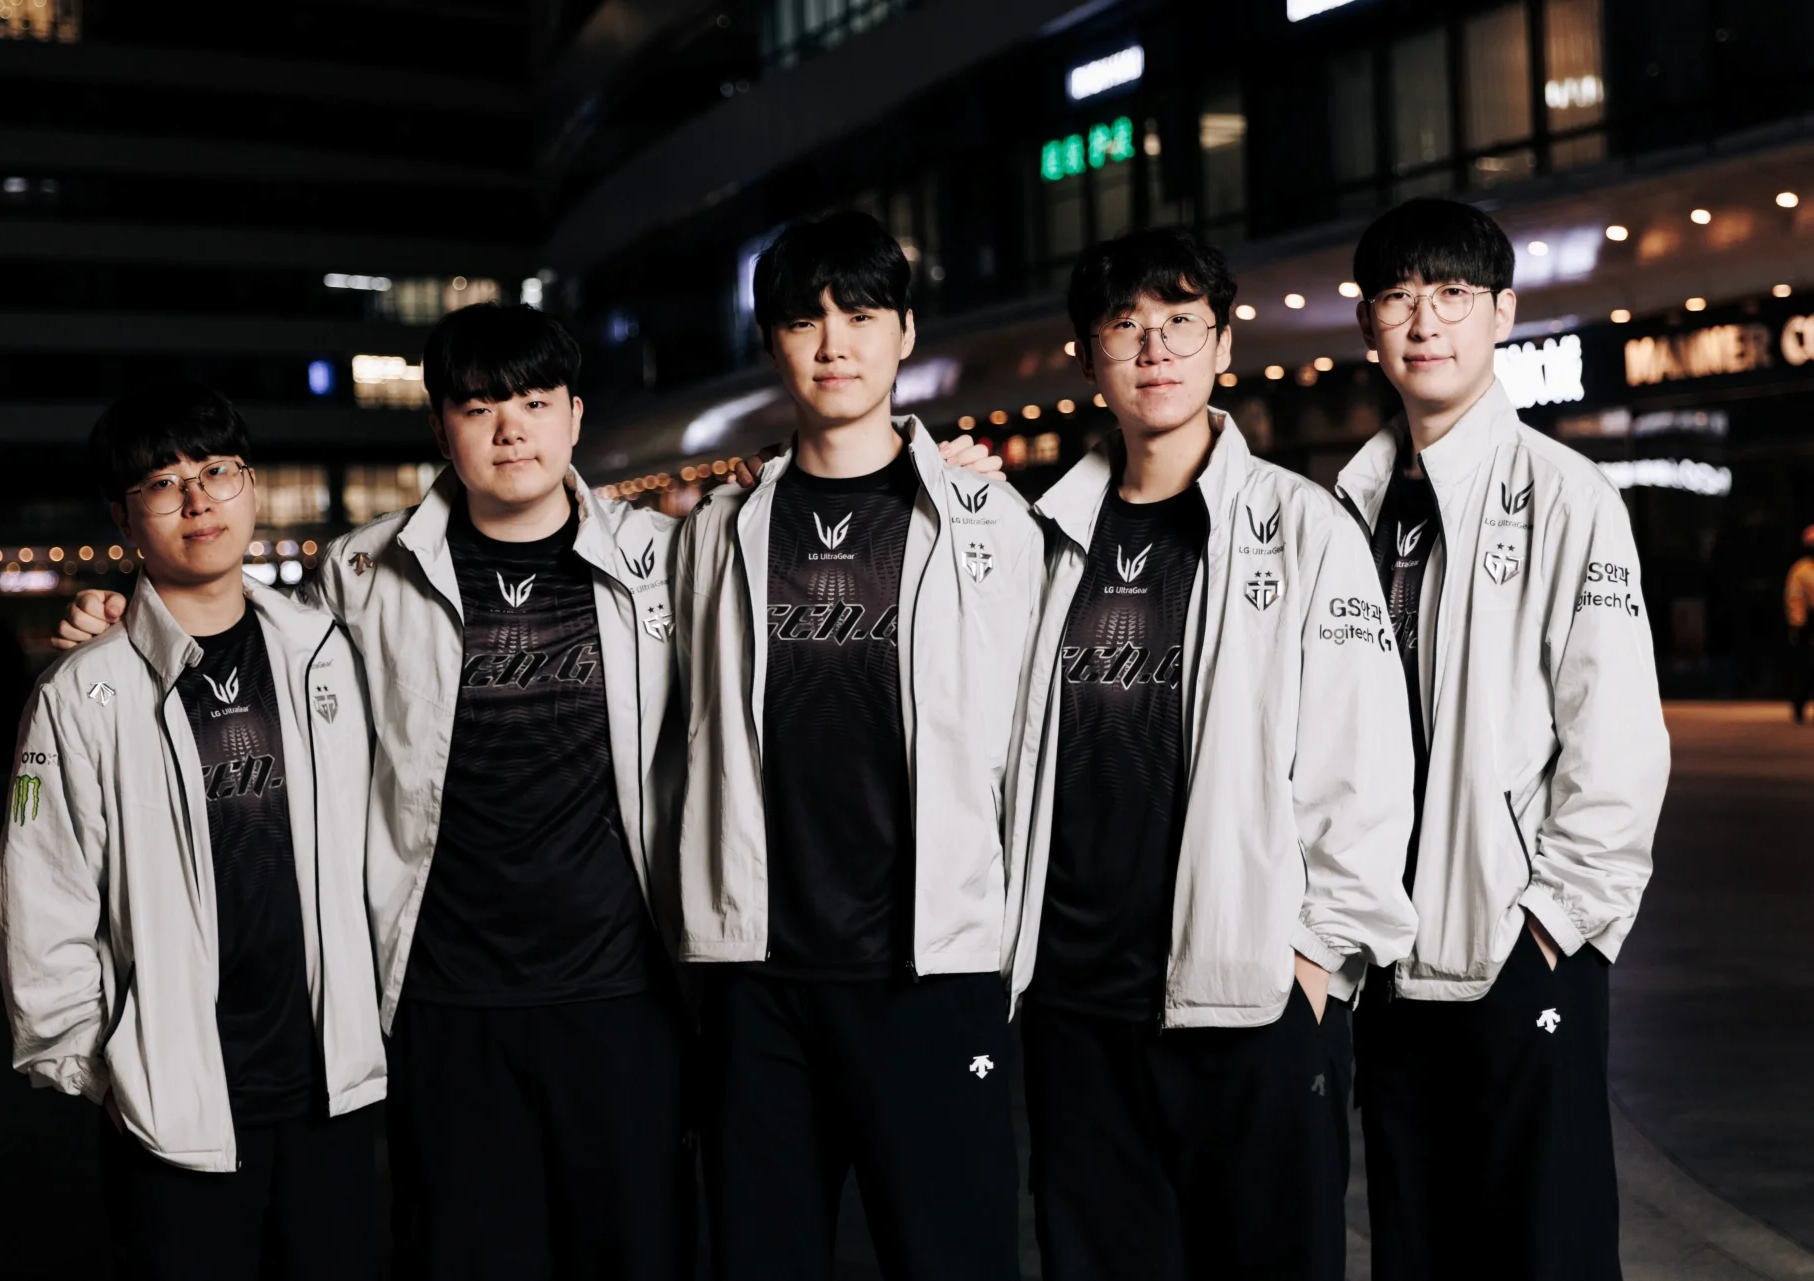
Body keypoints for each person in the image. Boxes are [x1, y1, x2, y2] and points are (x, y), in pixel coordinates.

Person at [51, 304, 1001, 1279]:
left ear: (575, 416)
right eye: (480, 409)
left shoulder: (665, 555)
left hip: (624, 999)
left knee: (639, 1257)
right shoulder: (363, 574)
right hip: (444, 1003)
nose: (511, 430)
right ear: (441, 429)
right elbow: (238, 635)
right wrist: (126, 618)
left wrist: (932, 475)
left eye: (536, 403)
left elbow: (794, 527)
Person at [1001, 227, 1416, 1279]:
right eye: (1126, 326)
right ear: (1089, 357)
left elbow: (1365, 764)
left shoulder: (1302, 527)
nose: (1155, 350)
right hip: (1078, 1005)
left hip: (1252, 1002)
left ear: (1224, 344)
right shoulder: (1041, 541)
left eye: (1181, 323)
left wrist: (1317, 963)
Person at [672, 210, 1045, 1281]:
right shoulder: (714, 534)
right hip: (759, 977)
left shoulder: (990, 524)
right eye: (805, 320)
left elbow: (1028, 743)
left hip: (928, 971)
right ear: (773, 343)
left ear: (906, 331)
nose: (834, 343)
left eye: (862, 315)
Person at [1335, 198, 1670, 1280]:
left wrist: (1556, 923)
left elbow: (1618, 740)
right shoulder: (1350, 506)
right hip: (1387, 960)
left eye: (1452, 294)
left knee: (1544, 1247)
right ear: (1369, 325)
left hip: (1517, 951)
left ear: (1503, 314)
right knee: (1418, 1245)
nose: (1425, 321)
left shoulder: (1568, 497)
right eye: (1399, 297)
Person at [0, 383, 385, 1280]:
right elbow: (39, 895)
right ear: (125, 517)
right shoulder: (82, 692)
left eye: (216, 471)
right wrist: (105, 1067)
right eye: (163, 483)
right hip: (172, 1106)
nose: (198, 499)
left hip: (331, 1085)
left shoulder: (326, 652)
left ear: (252, 484)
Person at [1785, 525, 1814, 722]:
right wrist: (1798, 623)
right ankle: (1799, 704)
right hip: (1808, 623)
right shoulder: (1801, 570)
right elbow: (1795, 597)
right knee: (1806, 666)